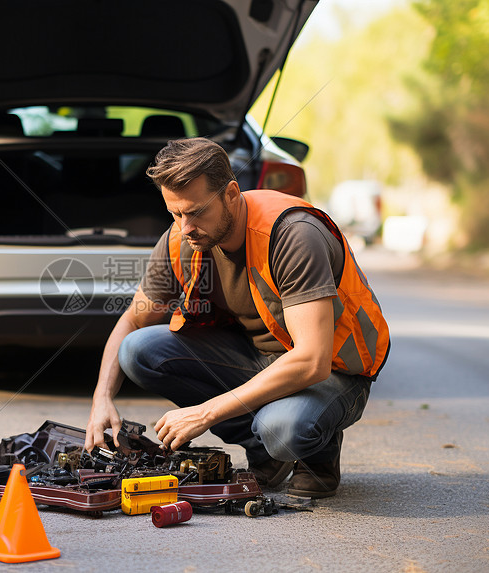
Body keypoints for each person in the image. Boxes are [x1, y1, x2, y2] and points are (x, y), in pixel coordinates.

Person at [84, 137, 390, 498]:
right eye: (175, 213)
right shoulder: (182, 239)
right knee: (138, 349)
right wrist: (101, 399)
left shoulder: (293, 235)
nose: (185, 227)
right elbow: (133, 322)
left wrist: (205, 414)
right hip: (260, 358)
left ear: (231, 194)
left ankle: (314, 457)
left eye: (196, 212)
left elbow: (313, 361)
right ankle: (267, 454)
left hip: (336, 370)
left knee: (283, 429)